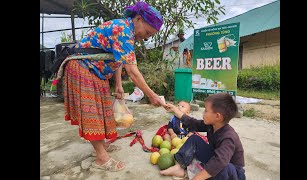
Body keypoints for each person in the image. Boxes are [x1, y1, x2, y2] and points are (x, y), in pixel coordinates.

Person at [61, 2, 165, 172]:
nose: (145, 38)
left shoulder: (127, 31)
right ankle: (101, 158)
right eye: (146, 32)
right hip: (83, 67)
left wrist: (118, 85)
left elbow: (118, 60)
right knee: (91, 114)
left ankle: (101, 146)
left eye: (149, 36)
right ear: (138, 19)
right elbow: (132, 71)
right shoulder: (123, 30)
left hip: (97, 72)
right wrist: (152, 95)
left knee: (102, 112)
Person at [161, 93, 245, 180]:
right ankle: (179, 167)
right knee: (194, 139)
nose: (203, 113)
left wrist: (197, 178)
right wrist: (175, 109)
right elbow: (193, 123)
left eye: (205, 110)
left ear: (217, 116)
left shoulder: (228, 137)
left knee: (224, 167)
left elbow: (219, 162)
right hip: (216, 159)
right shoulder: (211, 125)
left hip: (232, 173)